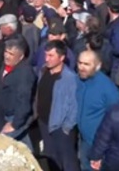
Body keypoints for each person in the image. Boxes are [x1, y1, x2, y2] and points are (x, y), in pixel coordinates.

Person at [36, 40, 79, 171]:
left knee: (67, 161)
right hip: (44, 122)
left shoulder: (70, 78)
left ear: (61, 58)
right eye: (46, 55)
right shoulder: (43, 71)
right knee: (51, 159)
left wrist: (66, 127)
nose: (46, 59)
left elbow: (74, 107)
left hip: (60, 127)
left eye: (51, 56)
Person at [76, 50, 119, 170]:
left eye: (86, 64)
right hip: (83, 139)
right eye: (80, 63)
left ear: (98, 66)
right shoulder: (78, 80)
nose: (81, 67)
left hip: (99, 145)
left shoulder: (108, 89)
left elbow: (115, 121)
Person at [0, 39, 36, 148]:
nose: (7, 56)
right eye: (6, 52)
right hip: (7, 112)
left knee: (4, 138)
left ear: (21, 56)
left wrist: (15, 124)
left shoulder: (25, 73)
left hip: (16, 115)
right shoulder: (6, 66)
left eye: (11, 54)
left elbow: (24, 100)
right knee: (23, 142)